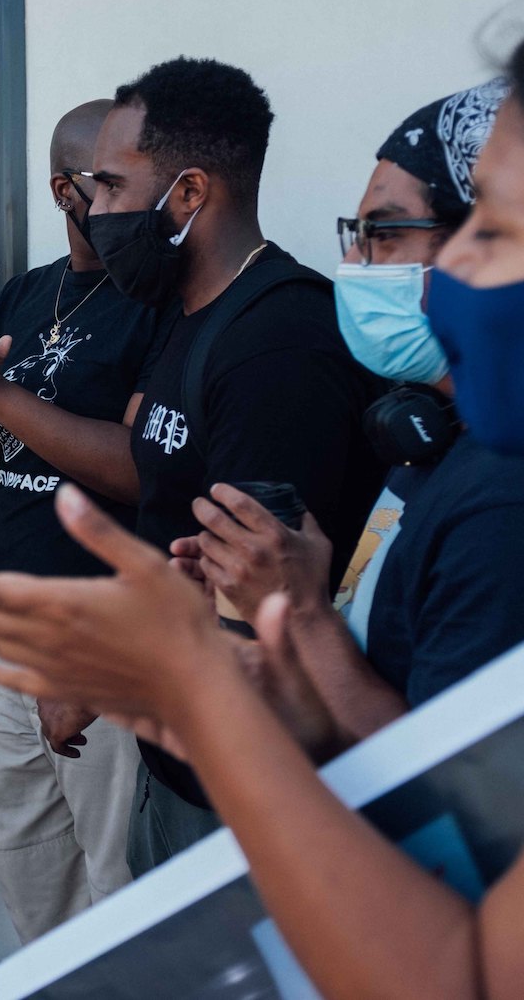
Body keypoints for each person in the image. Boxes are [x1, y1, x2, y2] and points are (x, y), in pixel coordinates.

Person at [0, 0, 524, 1000]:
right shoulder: (175, 318)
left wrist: (203, 681)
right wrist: (275, 645)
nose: (454, 269)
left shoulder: (502, 496)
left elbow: (467, 965)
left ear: (187, 190)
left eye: (500, 220)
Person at [177, 80, 524, 746]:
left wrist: (304, 613)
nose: (353, 262)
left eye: (385, 233)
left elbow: (464, 795)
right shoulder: (442, 440)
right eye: (356, 233)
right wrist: (260, 611)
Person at [81, 58, 385, 871]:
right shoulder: (185, 316)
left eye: (111, 186)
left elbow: (253, 600)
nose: (93, 211)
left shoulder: (279, 342)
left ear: (188, 194)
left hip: (246, 796)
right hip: (178, 760)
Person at [0, 100, 163, 939]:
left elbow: (139, 467)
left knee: (117, 876)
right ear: (66, 189)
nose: (148, 199)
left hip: (100, 624)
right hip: (7, 613)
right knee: (31, 872)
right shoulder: (24, 291)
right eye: (119, 180)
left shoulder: (160, 304)